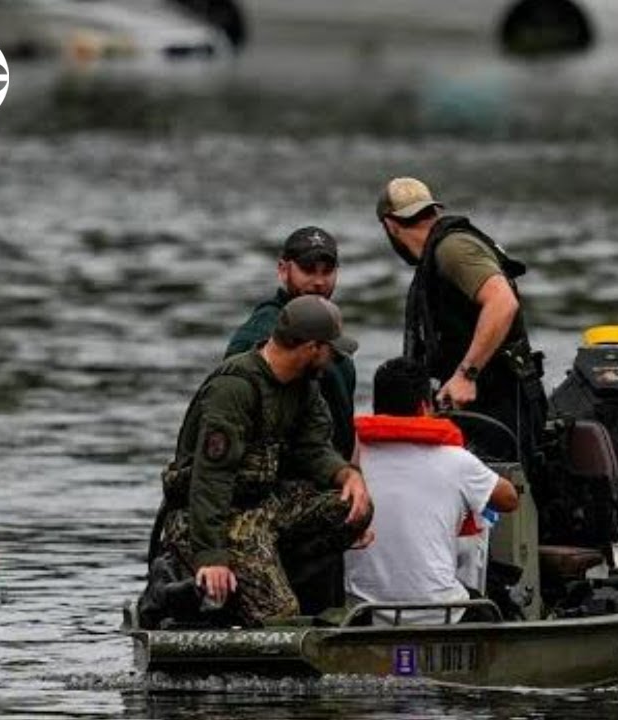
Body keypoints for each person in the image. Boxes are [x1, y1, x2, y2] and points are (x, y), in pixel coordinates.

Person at [146, 296, 372, 627]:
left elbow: (313, 448)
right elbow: (212, 477)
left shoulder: (304, 387)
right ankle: (189, 590)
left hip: (265, 506)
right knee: (280, 616)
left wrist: (346, 475)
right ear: (311, 348)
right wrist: (212, 556)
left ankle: (261, 573)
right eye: (331, 350)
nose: (334, 360)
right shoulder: (235, 388)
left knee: (353, 510)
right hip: (218, 518)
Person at [225, 225, 357, 614]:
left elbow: (339, 426)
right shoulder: (262, 339)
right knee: (295, 611)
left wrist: (352, 479)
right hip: (277, 502)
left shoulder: (329, 335)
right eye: (307, 270)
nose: (318, 281)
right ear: (283, 270)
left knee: (325, 605)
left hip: (321, 494)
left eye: (326, 271)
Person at [377, 177, 547, 467]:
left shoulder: (452, 249)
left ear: (390, 225)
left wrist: (466, 375)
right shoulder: (437, 253)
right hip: (482, 405)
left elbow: (502, 303)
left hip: (502, 405)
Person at [345, 357, 518, 624]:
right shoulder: (456, 460)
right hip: (440, 613)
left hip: (363, 614)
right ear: (424, 406)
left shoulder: (351, 460)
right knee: (496, 607)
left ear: (376, 407)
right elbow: (509, 499)